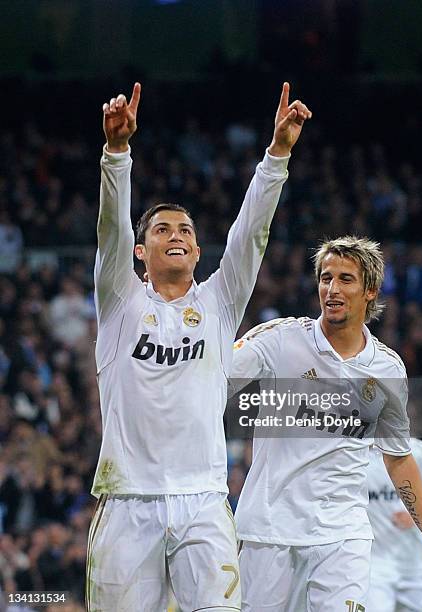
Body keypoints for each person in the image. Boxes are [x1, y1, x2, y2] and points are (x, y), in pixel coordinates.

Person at [85, 81, 311, 611]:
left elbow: (250, 234)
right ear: (141, 251)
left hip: (204, 501)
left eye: (185, 228)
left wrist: (277, 154)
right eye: (162, 229)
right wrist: (117, 154)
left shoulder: (218, 303)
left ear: (197, 248)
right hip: (126, 500)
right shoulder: (119, 301)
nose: (176, 234)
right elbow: (109, 230)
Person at [230, 236, 422, 611]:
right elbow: (214, 374)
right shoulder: (279, 340)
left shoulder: (386, 369)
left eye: (345, 279)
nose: (332, 289)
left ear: (370, 291)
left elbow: (398, 457)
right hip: (270, 530)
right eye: (325, 277)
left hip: (342, 534)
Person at [367, 438, 422, 612]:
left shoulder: (418, 450)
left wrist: (416, 516)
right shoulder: (355, 455)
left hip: (416, 564)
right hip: (375, 563)